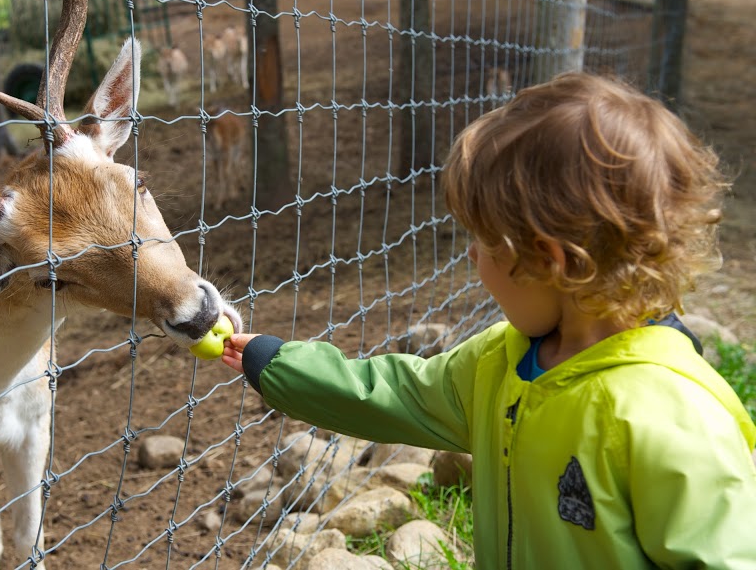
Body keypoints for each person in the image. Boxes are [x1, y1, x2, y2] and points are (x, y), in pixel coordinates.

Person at [221, 72, 756, 569]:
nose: (472, 257)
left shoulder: (674, 420)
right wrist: (276, 364)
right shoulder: (501, 362)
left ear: (549, 260)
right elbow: (395, 393)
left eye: (481, 240)